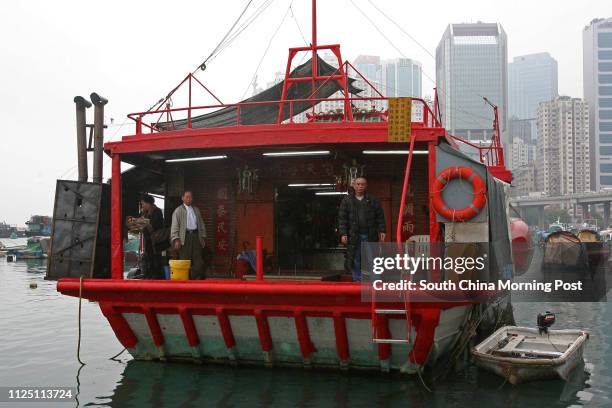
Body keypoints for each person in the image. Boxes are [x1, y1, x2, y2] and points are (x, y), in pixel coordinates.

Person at [338, 177, 386, 281]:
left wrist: (382, 230)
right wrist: (343, 233)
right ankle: (357, 280)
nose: (360, 186)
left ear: (366, 186)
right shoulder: (347, 200)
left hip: (370, 234)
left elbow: (380, 216)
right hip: (354, 235)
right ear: (354, 186)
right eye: (358, 184)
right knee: (356, 259)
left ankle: (375, 280)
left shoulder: (372, 200)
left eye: (362, 184)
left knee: (372, 258)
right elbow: (342, 218)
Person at [170, 191, 207, 279]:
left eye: (190, 197)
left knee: (198, 261)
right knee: (185, 260)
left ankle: (195, 280)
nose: (189, 199)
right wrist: (176, 239)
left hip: (195, 236)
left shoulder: (196, 210)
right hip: (184, 237)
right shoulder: (178, 210)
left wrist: (203, 237)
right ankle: (185, 281)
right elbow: (175, 225)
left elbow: (201, 224)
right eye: (187, 197)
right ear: (182, 198)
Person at [139, 194, 165, 279]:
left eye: (143, 203)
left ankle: (156, 276)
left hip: (156, 239)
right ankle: (149, 275)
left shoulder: (157, 211)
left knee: (156, 257)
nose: (142, 205)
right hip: (147, 239)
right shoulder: (144, 212)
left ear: (148, 203)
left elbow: (158, 225)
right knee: (148, 257)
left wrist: (147, 223)